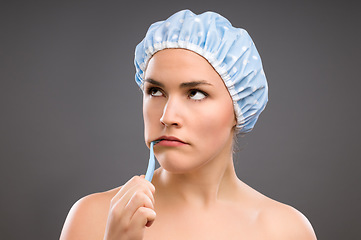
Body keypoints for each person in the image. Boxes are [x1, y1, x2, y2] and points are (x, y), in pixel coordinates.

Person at [60, 10, 317, 240]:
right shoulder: (92, 218)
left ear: (240, 106)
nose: (167, 116)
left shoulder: (286, 231)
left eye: (195, 93)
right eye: (155, 91)